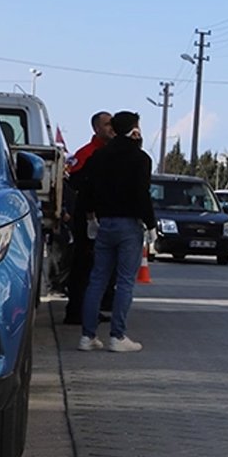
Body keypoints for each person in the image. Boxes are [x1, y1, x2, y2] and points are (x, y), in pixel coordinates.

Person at [77, 111, 155, 353]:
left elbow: (85, 187)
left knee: (97, 279)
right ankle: (117, 336)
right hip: (129, 225)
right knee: (124, 282)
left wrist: (91, 215)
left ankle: (87, 336)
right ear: (133, 129)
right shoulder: (140, 158)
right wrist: (151, 224)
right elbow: (142, 194)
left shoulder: (99, 156)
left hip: (104, 223)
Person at [64, 111, 116, 326]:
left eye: (112, 124)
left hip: (102, 219)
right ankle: (76, 311)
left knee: (100, 267)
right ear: (96, 128)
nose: (110, 128)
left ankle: (92, 308)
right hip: (86, 220)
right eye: (106, 125)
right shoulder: (86, 154)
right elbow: (73, 183)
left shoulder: (111, 153)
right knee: (83, 266)